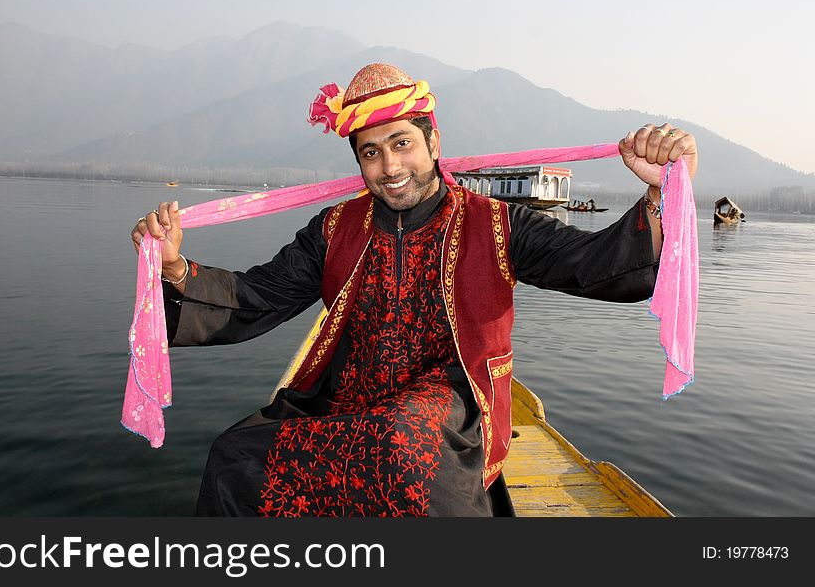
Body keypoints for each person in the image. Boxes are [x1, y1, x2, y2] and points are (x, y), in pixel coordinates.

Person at [130, 63, 698, 516]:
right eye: (370, 153)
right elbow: (258, 298)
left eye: (401, 143)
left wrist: (657, 200)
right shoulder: (334, 229)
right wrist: (178, 268)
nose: (389, 166)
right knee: (232, 458)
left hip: (446, 410)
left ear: (432, 140)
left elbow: (594, 264)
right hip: (345, 404)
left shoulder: (495, 224)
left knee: (405, 450)